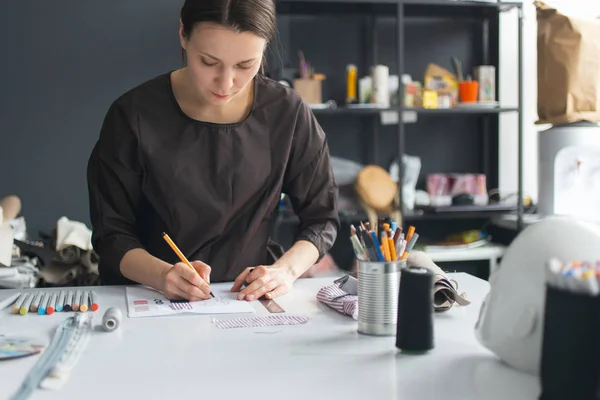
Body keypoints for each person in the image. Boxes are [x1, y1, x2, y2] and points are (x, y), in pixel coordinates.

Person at [86, 0, 340, 303]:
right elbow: (111, 234)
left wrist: (284, 271)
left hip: (248, 302)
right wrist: (162, 276)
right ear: (183, 34)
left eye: (246, 65)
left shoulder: (287, 112)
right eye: (208, 62)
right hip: (150, 299)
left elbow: (321, 219)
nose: (227, 82)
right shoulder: (133, 115)